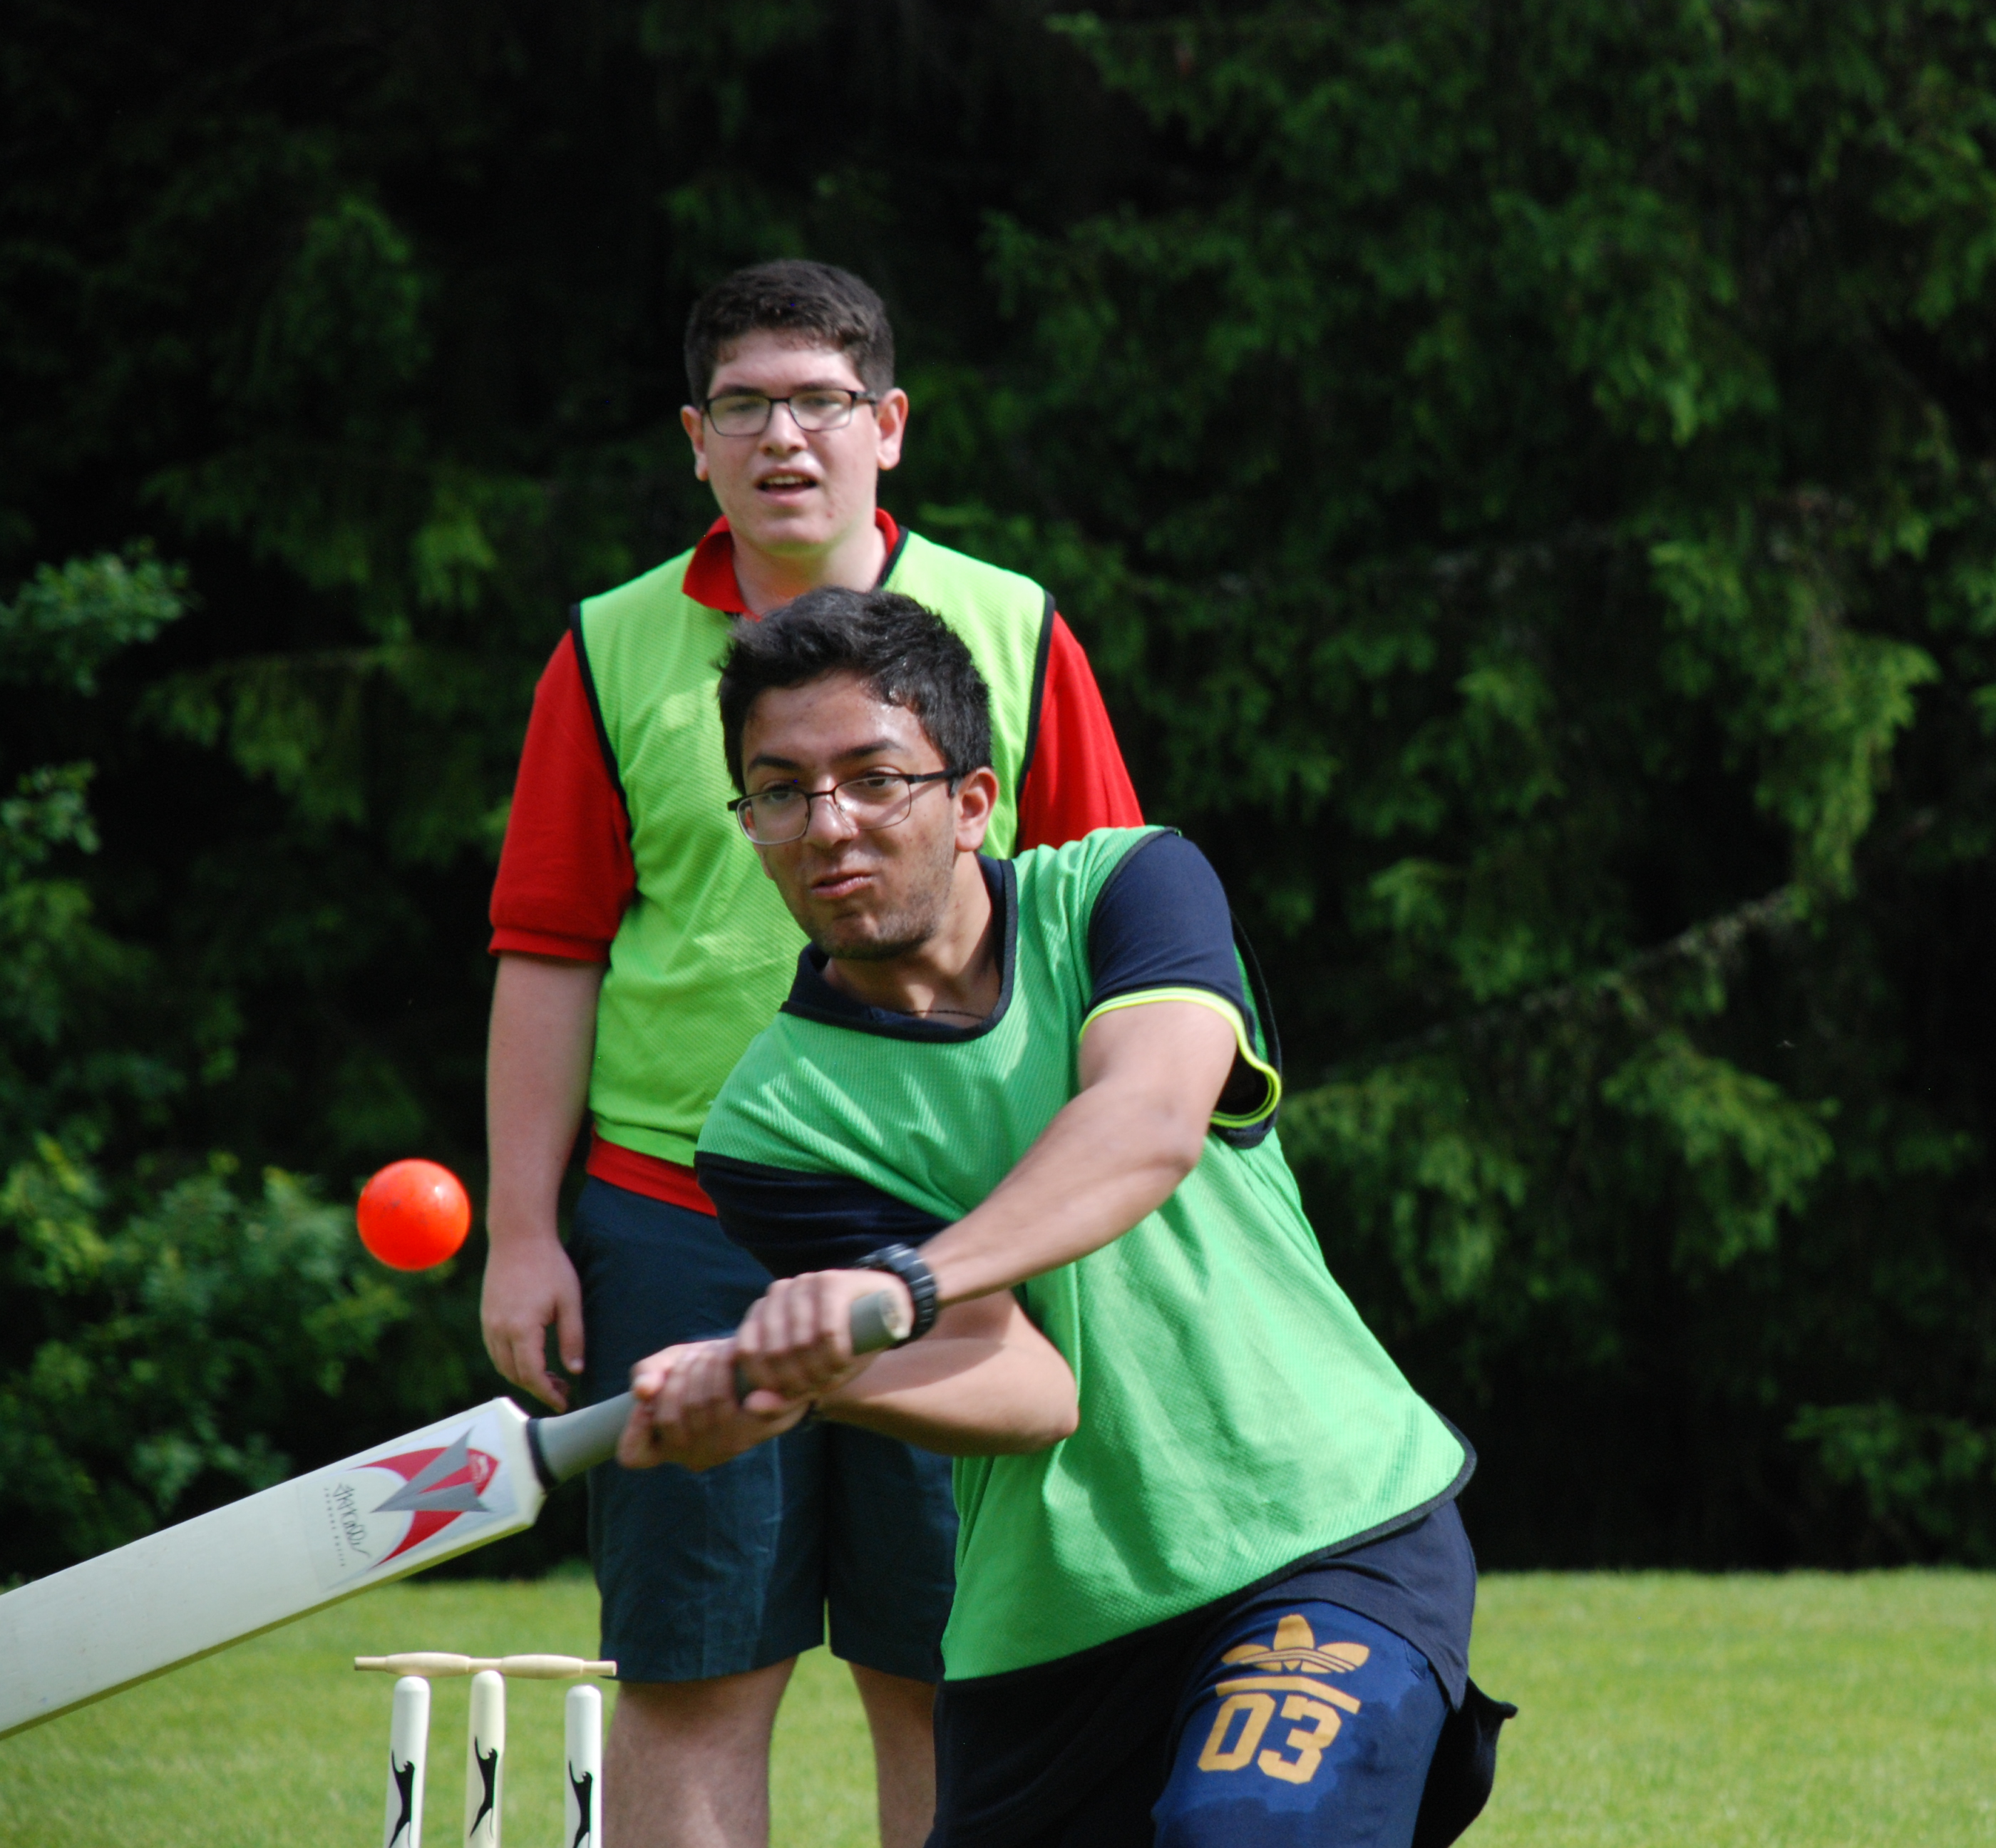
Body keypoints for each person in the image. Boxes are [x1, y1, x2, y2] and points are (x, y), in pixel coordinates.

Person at [614, 587, 1513, 1847]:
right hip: (1049, 1633)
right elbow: (1029, 1388)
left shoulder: (1129, 890)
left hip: (1322, 1532)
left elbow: (1146, 1124)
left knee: (1244, 1832)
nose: (828, 826)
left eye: (874, 779)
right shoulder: (776, 1122)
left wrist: (899, 1286)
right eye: (779, 792)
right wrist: (808, 1383)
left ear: (972, 801)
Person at [481, 260, 1142, 1848]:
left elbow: (1106, 924)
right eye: (746, 406)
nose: (785, 437)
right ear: (694, 440)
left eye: (821, 402)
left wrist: (1083, 1215)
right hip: (675, 1222)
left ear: (888, 425)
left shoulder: (1012, 626)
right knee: (696, 1673)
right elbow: (551, 949)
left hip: (948, 1219)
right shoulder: (607, 646)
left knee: (953, 1671)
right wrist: (521, 1232)